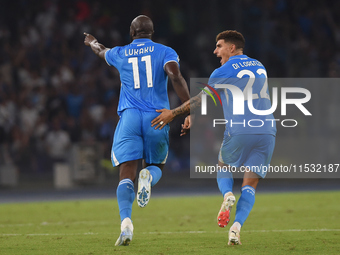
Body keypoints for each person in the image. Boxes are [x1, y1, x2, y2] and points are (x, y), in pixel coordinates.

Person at [152, 30, 276, 245]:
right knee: (250, 184)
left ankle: (227, 194)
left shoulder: (223, 70)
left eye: (219, 46)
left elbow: (201, 99)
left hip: (239, 129)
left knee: (223, 166)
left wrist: (173, 113)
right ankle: (236, 228)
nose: (215, 51)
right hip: (267, 130)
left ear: (232, 48)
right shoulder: (259, 65)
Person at [84, 15, 190, 246]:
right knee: (156, 166)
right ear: (152, 33)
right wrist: (187, 109)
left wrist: (91, 41)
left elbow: (100, 50)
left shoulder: (121, 53)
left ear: (132, 33)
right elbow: (175, 75)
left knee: (125, 174)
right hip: (157, 116)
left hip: (130, 117)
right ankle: (148, 177)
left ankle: (126, 225)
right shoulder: (165, 51)